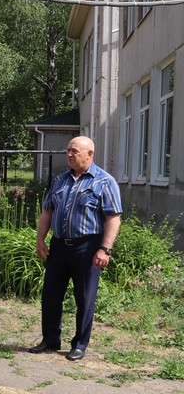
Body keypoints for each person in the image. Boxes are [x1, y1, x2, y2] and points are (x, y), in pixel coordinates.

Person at [30, 136, 122, 361]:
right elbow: (48, 211)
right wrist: (40, 240)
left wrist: (105, 249)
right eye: (68, 151)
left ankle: (80, 344)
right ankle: (50, 339)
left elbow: (113, 217)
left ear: (89, 154)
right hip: (59, 246)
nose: (69, 155)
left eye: (75, 151)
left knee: (84, 298)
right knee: (51, 295)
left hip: (87, 247)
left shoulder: (104, 181)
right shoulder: (60, 180)